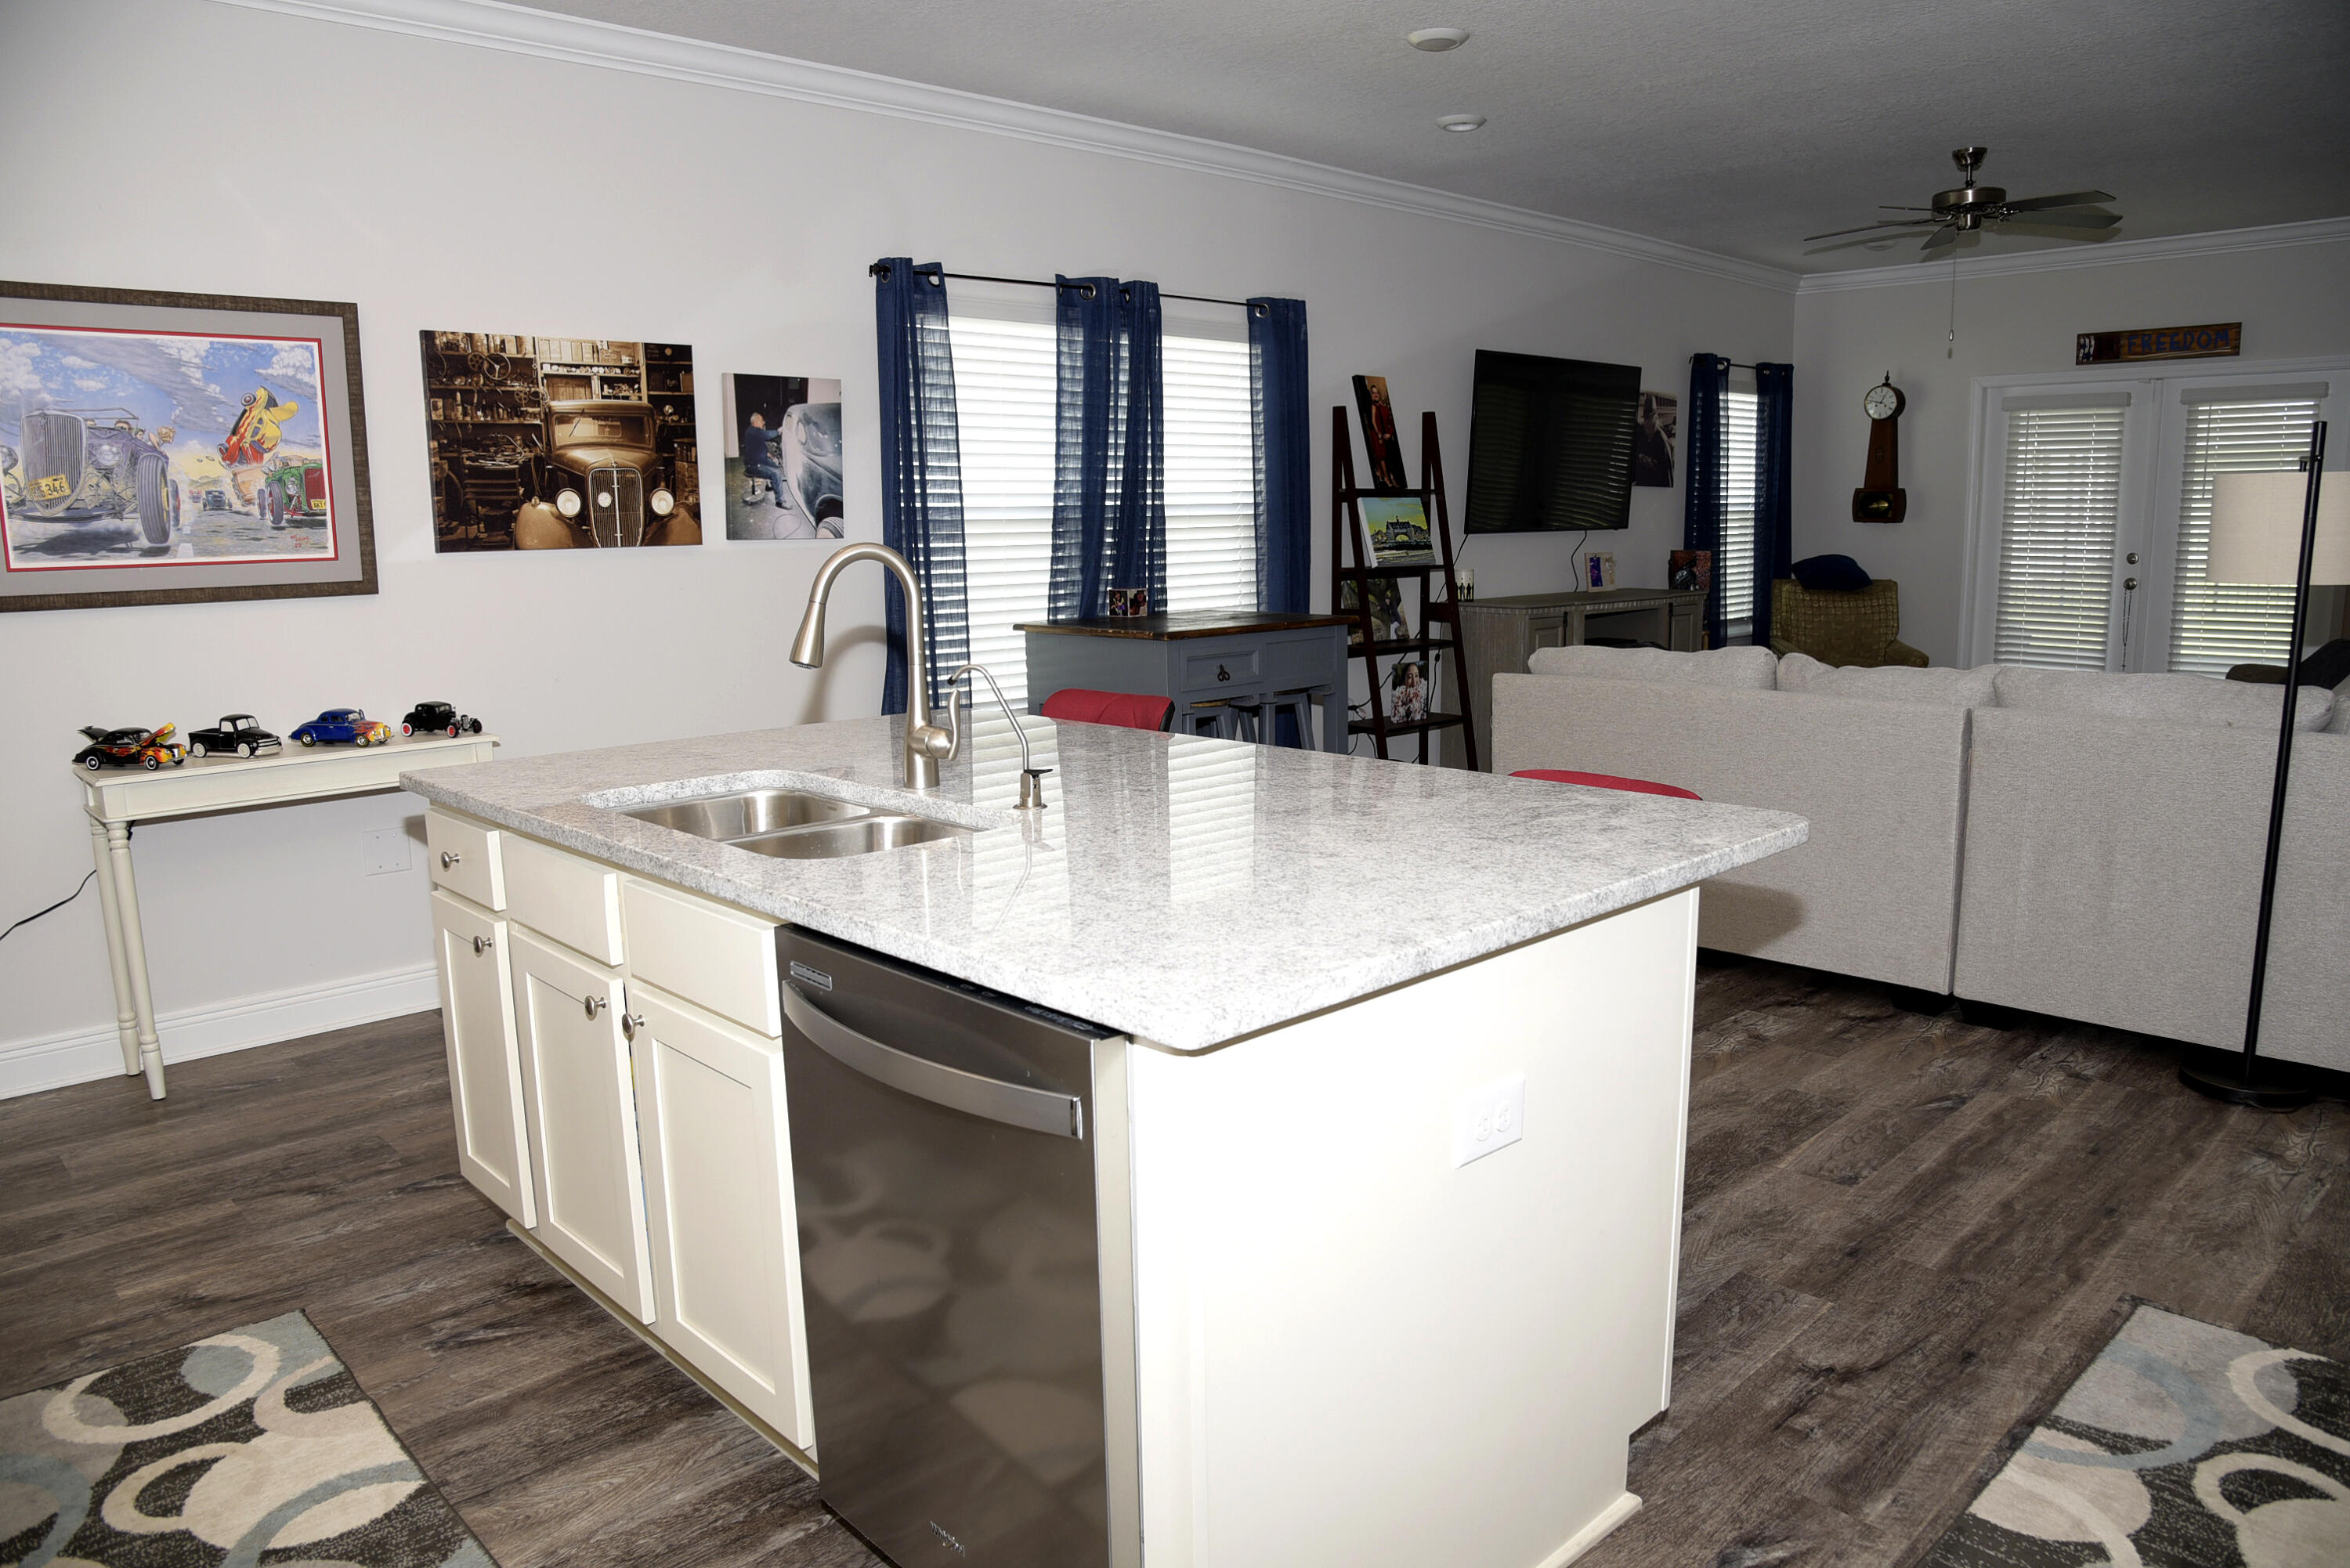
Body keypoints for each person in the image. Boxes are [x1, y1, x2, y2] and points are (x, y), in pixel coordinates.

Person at [741, 410, 789, 509]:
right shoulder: (754, 432)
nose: (763, 423)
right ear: (756, 422)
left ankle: (769, 485)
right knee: (776, 474)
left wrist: (770, 456)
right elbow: (767, 435)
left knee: (774, 465)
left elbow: (758, 448)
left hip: (757, 460)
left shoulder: (752, 431)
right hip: (753, 466)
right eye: (762, 421)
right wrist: (779, 431)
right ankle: (780, 502)